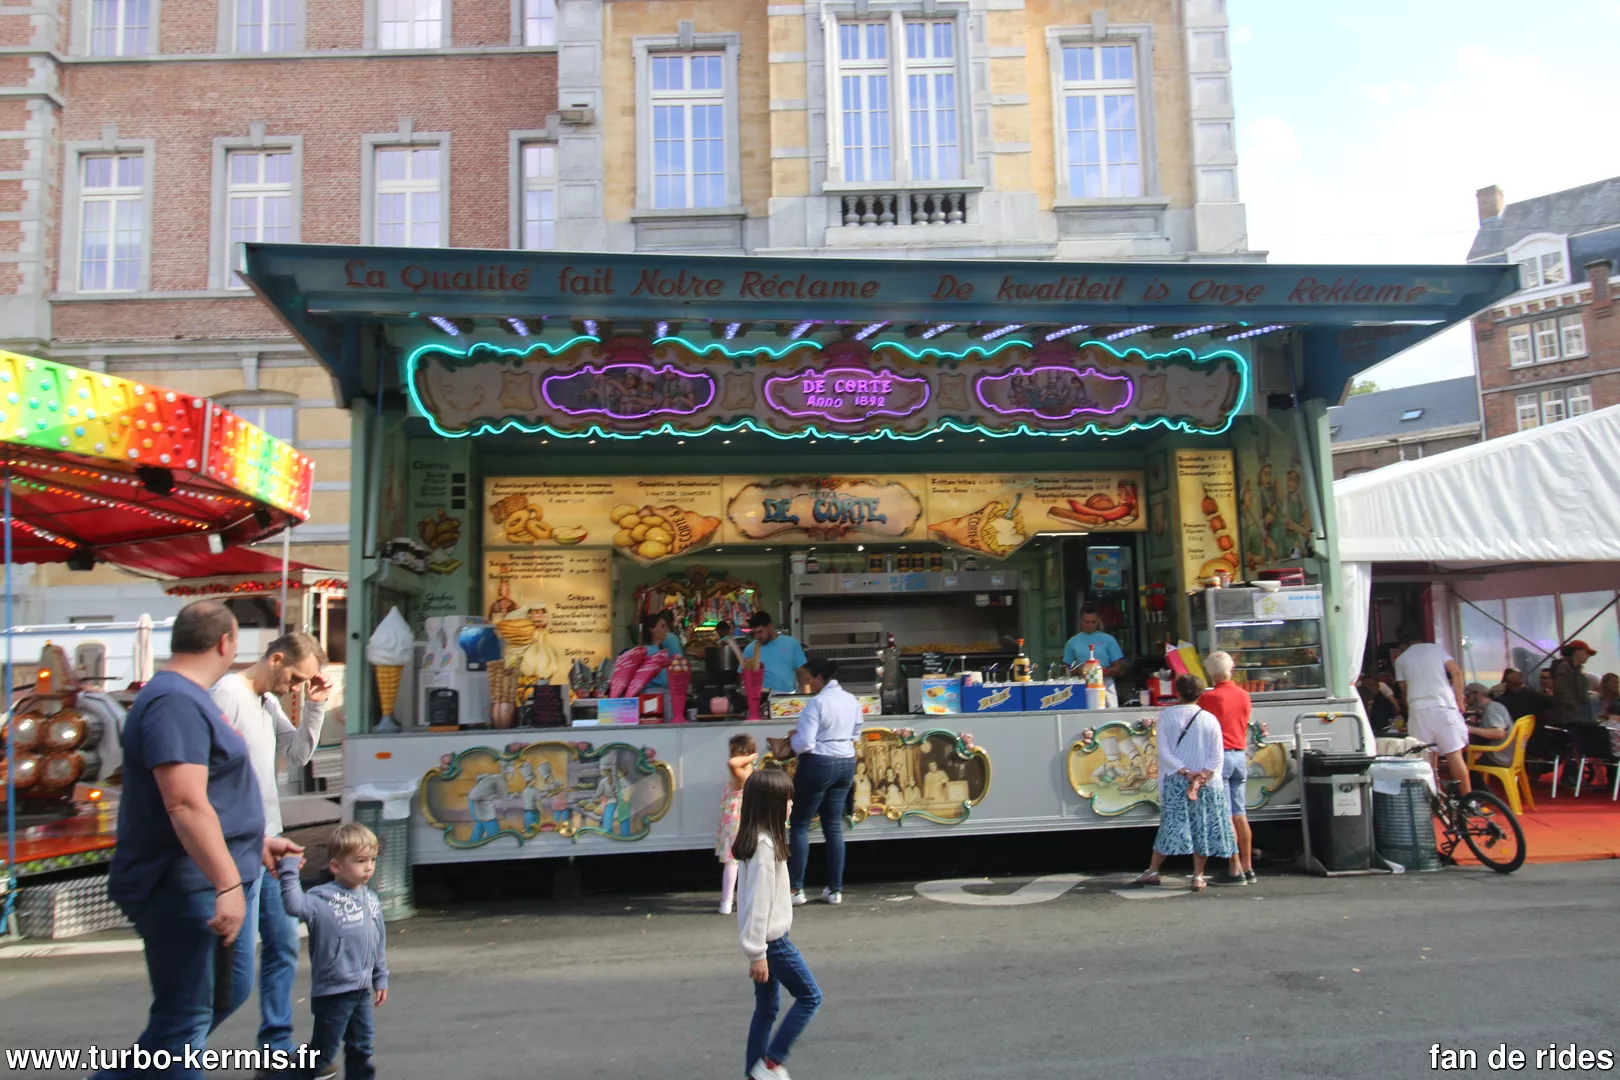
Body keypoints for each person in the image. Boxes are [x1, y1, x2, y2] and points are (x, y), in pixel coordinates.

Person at [96, 600, 303, 1080]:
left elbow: (209, 797)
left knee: (220, 996)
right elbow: (185, 803)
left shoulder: (187, 697)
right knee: (187, 1016)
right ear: (225, 643)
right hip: (184, 883)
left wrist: (251, 843)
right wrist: (227, 883)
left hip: (207, 873)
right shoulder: (174, 701)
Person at [210, 630, 332, 1064]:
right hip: (241, 847)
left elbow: (298, 755)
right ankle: (167, 1050)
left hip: (272, 843)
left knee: (283, 945)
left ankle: (275, 1051)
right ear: (276, 659)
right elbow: (210, 778)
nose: (295, 688)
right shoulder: (227, 695)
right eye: (296, 679)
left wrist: (316, 706)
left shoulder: (267, 701)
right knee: (235, 979)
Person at [277, 822, 389, 1080]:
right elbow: (294, 906)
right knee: (321, 1054)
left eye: (372, 859)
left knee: (362, 1045)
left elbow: (378, 940)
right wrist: (289, 869)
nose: (369, 867)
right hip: (333, 992)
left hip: (360, 989)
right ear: (336, 866)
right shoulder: (321, 898)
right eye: (360, 861)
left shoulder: (371, 899)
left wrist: (380, 976)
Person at [733, 768, 822, 1080]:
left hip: (765, 942)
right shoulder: (765, 847)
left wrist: (756, 950)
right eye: (788, 799)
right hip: (773, 943)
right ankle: (771, 1063)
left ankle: (755, 1073)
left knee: (767, 1009)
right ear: (772, 804)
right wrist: (757, 952)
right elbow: (759, 905)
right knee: (810, 997)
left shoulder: (757, 841)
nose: (792, 804)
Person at [1131, 674, 1235, 892]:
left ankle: (1153, 871)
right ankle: (1198, 876)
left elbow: (1164, 752)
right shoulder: (1209, 718)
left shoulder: (1166, 716)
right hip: (1207, 782)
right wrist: (1202, 775)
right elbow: (1217, 756)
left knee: (1170, 826)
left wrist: (1186, 772)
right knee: (1202, 827)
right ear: (1200, 693)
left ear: (1177, 692)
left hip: (1176, 780)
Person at [776, 657, 861, 906]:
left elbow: (805, 743)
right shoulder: (852, 700)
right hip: (846, 762)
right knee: (833, 826)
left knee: (800, 824)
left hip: (819, 763)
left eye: (809, 679)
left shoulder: (817, 703)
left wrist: (793, 738)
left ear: (820, 678)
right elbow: (856, 733)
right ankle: (835, 890)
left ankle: (796, 889)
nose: (808, 683)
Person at [1199, 651, 1257, 886]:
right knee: (1239, 813)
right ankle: (1248, 866)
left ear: (1210, 673)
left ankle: (1234, 869)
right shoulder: (1244, 695)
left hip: (1220, 758)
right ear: (1231, 669)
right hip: (1239, 755)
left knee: (1224, 815)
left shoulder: (1208, 698)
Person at [1393, 628, 1471, 796]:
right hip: (1444, 706)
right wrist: (1459, 700)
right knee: (1454, 755)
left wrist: (1407, 711)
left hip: (1418, 709)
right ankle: (1468, 800)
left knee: (1426, 759)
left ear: (1403, 644)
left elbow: (1404, 689)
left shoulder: (1401, 659)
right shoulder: (1437, 649)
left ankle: (1432, 800)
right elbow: (1457, 673)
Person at [718, 733, 758, 915]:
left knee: (731, 862)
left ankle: (727, 901)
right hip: (748, 817)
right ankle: (748, 899)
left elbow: (732, 763)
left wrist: (748, 758)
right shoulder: (752, 769)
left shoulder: (740, 771)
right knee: (748, 861)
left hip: (734, 821)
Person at [1062, 605, 1127, 706]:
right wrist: (1079, 670)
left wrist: (1097, 672)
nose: (1090, 626)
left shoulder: (1109, 640)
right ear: (1080, 621)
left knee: (1109, 713)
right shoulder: (1072, 642)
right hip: (1081, 685)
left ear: (1098, 621)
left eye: (1093, 622)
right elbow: (1065, 669)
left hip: (1105, 684)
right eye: (1087, 622)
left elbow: (1119, 668)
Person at [744, 611, 809, 695]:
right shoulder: (750, 649)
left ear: (770, 627)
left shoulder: (791, 644)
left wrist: (804, 696)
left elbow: (802, 672)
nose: (757, 637)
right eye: (754, 633)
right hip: (760, 697)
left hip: (786, 697)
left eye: (760, 632)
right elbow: (742, 677)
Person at [1464, 682, 1515, 768]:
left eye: (1468, 696)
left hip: (1498, 757)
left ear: (1479, 694)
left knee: (1462, 758)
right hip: (1504, 755)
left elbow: (1499, 733)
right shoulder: (1496, 706)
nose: (1467, 700)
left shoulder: (1492, 709)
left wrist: (1470, 729)